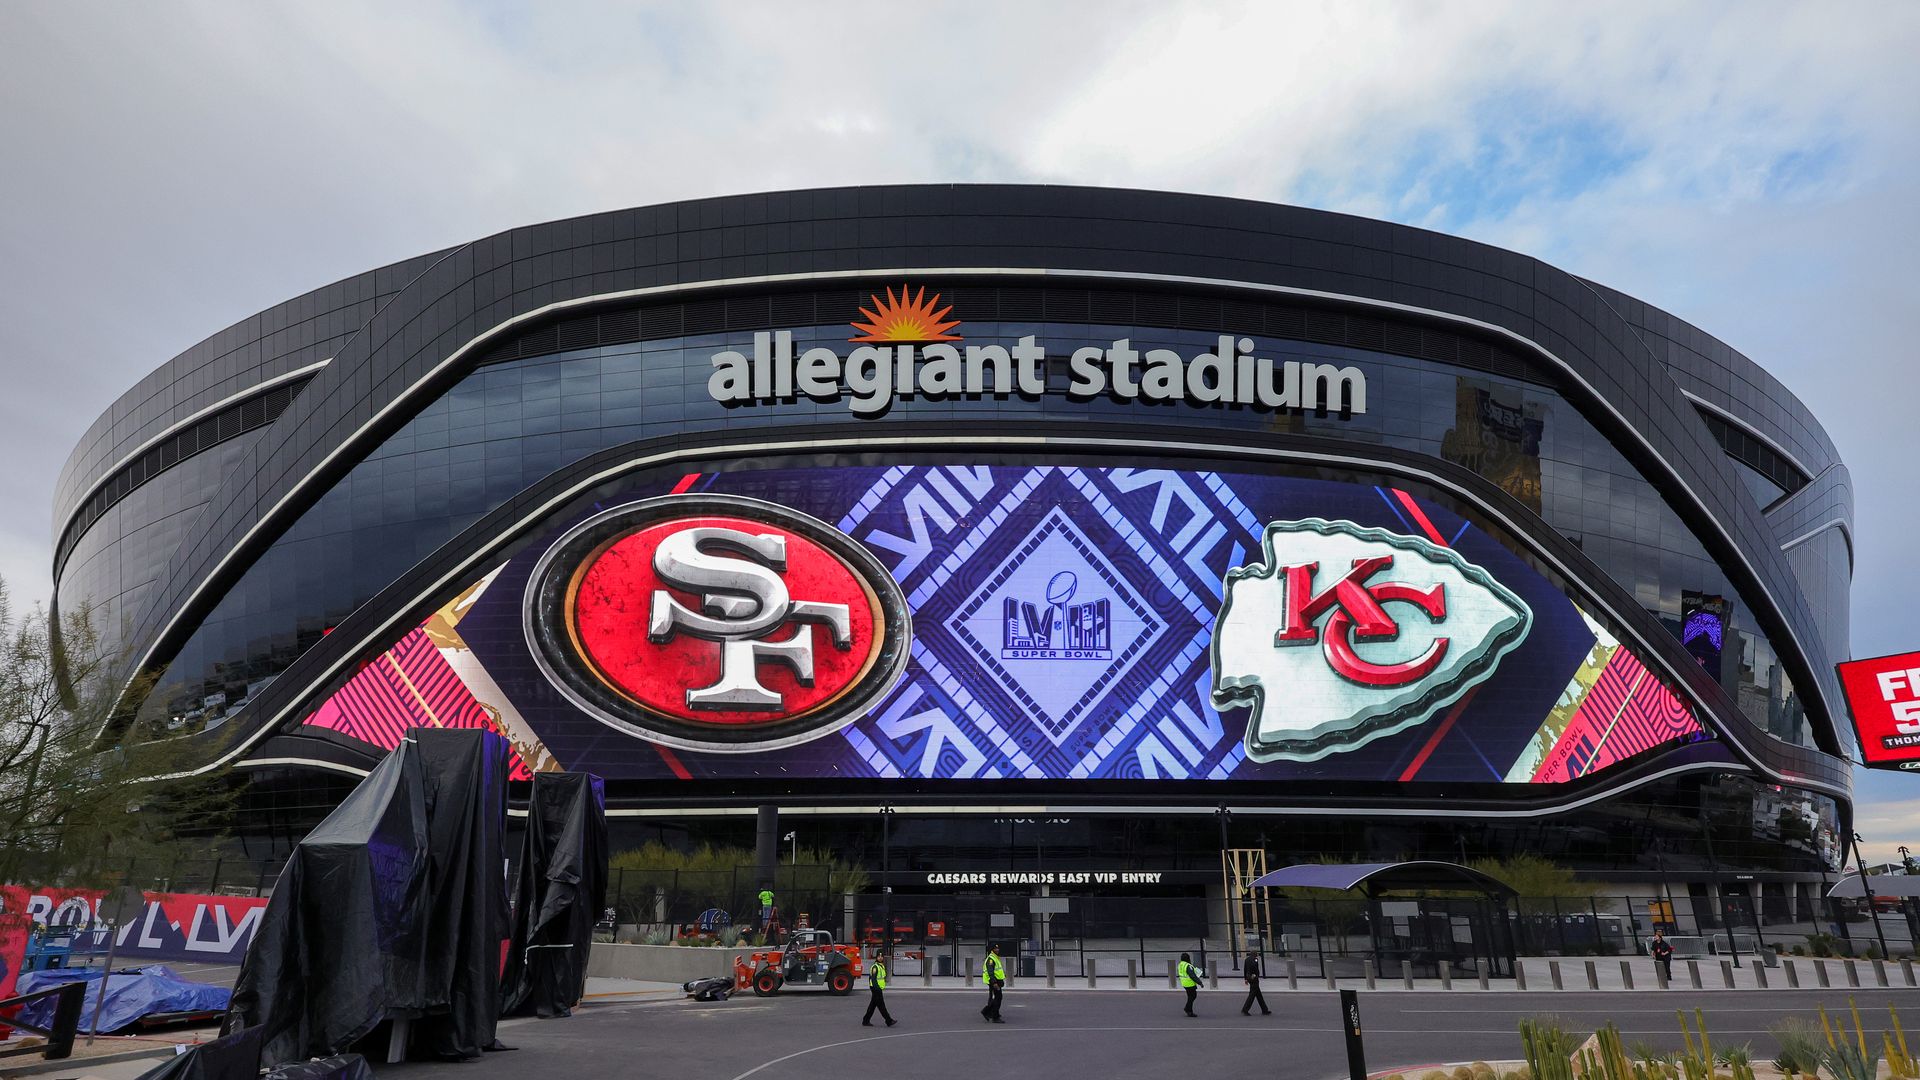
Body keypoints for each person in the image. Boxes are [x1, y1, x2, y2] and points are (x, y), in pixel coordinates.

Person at [863, 948, 896, 1027]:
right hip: (876, 988)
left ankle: (865, 1020)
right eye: (879, 956)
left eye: (881, 956)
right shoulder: (875, 967)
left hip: (878, 988)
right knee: (881, 1006)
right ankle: (888, 1020)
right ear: (876, 957)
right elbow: (873, 979)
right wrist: (877, 988)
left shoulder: (881, 966)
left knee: (873, 1005)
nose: (880, 958)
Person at [980, 943, 1005, 1023]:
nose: (997, 950)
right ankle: (993, 1016)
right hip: (993, 981)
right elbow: (990, 972)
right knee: (998, 998)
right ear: (992, 950)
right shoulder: (991, 959)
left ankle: (990, 1013)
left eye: (997, 948)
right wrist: (994, 983)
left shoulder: (995, 958)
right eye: (995, 948)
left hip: (996, 981)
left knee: (996, 998)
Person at [1240, 948, 1270, 1016]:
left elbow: (1245, 969)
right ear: (1255, 954)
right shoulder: (1255, 959)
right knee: (1252, 995)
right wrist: (1256, 975)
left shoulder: (1247, 959)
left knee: (1258, 995)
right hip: (1254, 978)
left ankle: (1264, 1009)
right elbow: (1255, 967)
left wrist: (1245, 979)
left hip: (1249, 977)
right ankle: (1245, 1009)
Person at [1178, 952, 1203, 1017]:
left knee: (1190, 997)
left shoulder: (1181, 964)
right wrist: (1200, 983)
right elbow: (1193, 976)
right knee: (1193, 996)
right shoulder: (1188, 966)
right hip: (1190, 984)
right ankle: (1188, 1010)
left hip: (1184, 983)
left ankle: (1188, 1009)